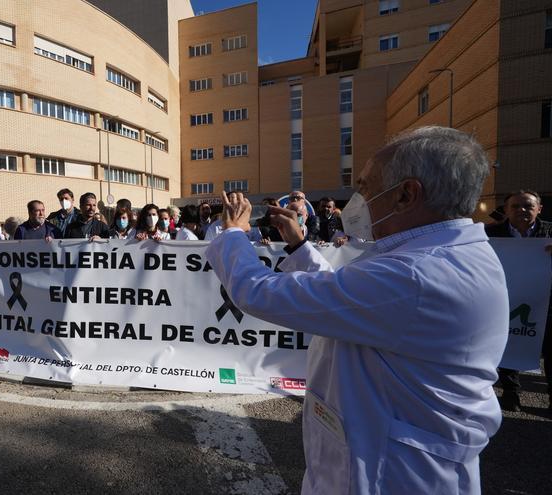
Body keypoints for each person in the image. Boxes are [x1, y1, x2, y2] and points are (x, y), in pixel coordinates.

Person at [206, 126, 508, 493]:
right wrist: (301, 247)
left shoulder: (416, 275)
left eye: (365, 188)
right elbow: (352, 299)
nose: (357, 201)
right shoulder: (444, 256)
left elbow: (258, 292)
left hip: (393, 474)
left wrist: (234, 233)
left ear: (406, 194)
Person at [485, 189, 552, 412]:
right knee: (509, 344)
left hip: (545, 301)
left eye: (528, 206)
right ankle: (511, 392)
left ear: (539, 209)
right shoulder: (490, 234)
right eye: (515, 206)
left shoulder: (550, 232)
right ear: (506, 210)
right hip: (505, 299)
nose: (522, 210)